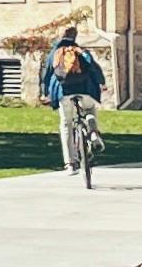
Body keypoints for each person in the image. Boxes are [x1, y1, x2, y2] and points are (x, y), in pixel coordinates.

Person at [40, 23, 106, 181]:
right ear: (75, 36)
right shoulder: (81, 51)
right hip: (86, 89)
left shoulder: (55, 53)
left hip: (64, 92)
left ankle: (70, 163)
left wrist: (45, 93)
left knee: (66, 124)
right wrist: (101, 83)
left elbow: (47, 75)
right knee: (89, 110)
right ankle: (93, 132)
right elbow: (93, 68)